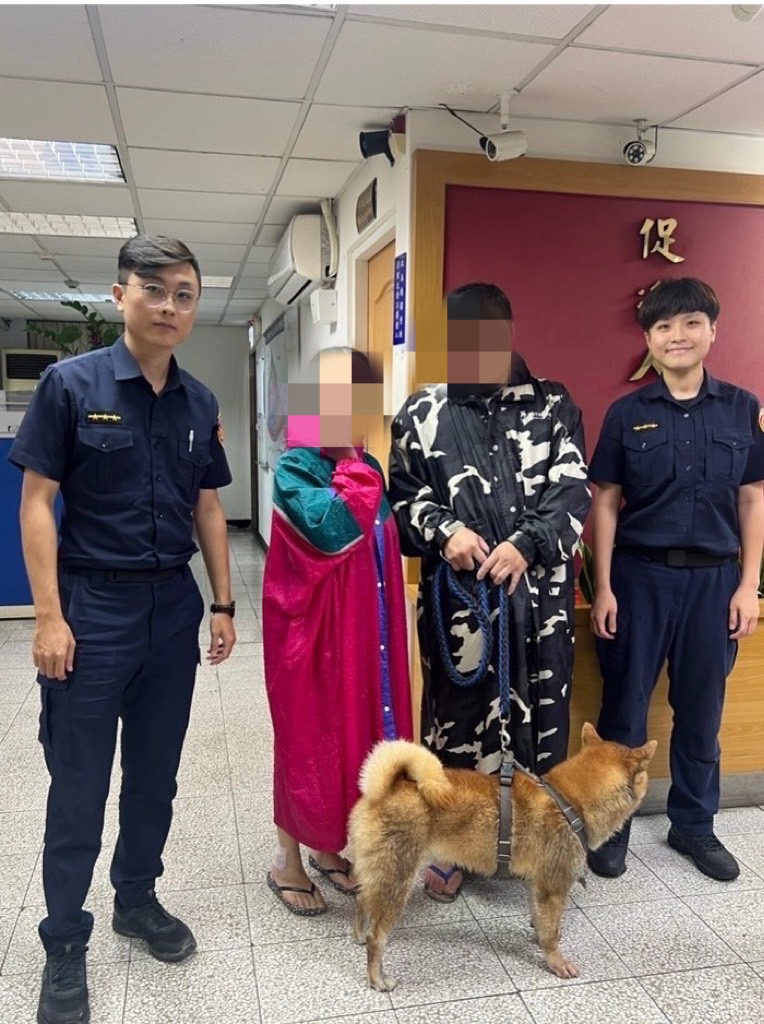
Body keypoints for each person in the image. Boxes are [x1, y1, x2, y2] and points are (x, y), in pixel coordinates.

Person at [9, 235, 236, 1024]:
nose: (170, 305)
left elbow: (209, 504)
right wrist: (48, 616)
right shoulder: (70, 385)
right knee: (78, 782)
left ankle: (135, 899)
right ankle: (64, 941)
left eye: (185, 293)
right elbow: (37, 502)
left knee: (154, 776)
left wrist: (223, 603)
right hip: (92, 609)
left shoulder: (198, 402)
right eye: (155, 289)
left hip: (171, 610)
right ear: (120, 295)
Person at [389, 282, 591, 901]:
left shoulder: (554, 404)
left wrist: (528, 543)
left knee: (544, 723)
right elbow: (402, 500)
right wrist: (444, 531)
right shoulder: (421, 412)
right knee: (456, 723)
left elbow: (574, 489)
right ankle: (452, 846)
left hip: (539, 603)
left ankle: (537, 848)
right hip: (461, 604)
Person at [588, 277, 764, 882]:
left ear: (713, 330)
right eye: (663, 326)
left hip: (715, 583)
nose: (677, 335)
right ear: (649, 340)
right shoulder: (627, 413)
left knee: (701, 711)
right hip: (639, 579)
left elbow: (752, 498)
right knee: (624, 708)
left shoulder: (742, 408)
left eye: (691, 322)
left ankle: (693, 824)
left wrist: (748, 586)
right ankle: (611, 824)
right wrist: (603, 587)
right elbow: (605, 502)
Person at [262, 346, 413, 916]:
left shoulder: (368, 465)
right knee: (307, 745)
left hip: (366, 636)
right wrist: (350, 458)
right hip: (312, 641)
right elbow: (334, 530)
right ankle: (288, 863)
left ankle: (329, 848)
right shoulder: (297, 468)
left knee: (357, 740)